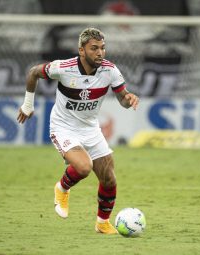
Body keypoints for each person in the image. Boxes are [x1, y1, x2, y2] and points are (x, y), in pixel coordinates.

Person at [17, 28, 139, 234]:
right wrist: (28, 105)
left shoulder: (110, 71)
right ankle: (62, 188)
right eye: (94, 49)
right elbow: (33, 73)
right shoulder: (64, 68)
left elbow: (122, 98)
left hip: (91, 128)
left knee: (109, 178)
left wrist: (129, 99)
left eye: (102, 48)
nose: (100, 53)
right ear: (81, 50)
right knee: (83, 167)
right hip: (63, 127)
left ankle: (102, 223)